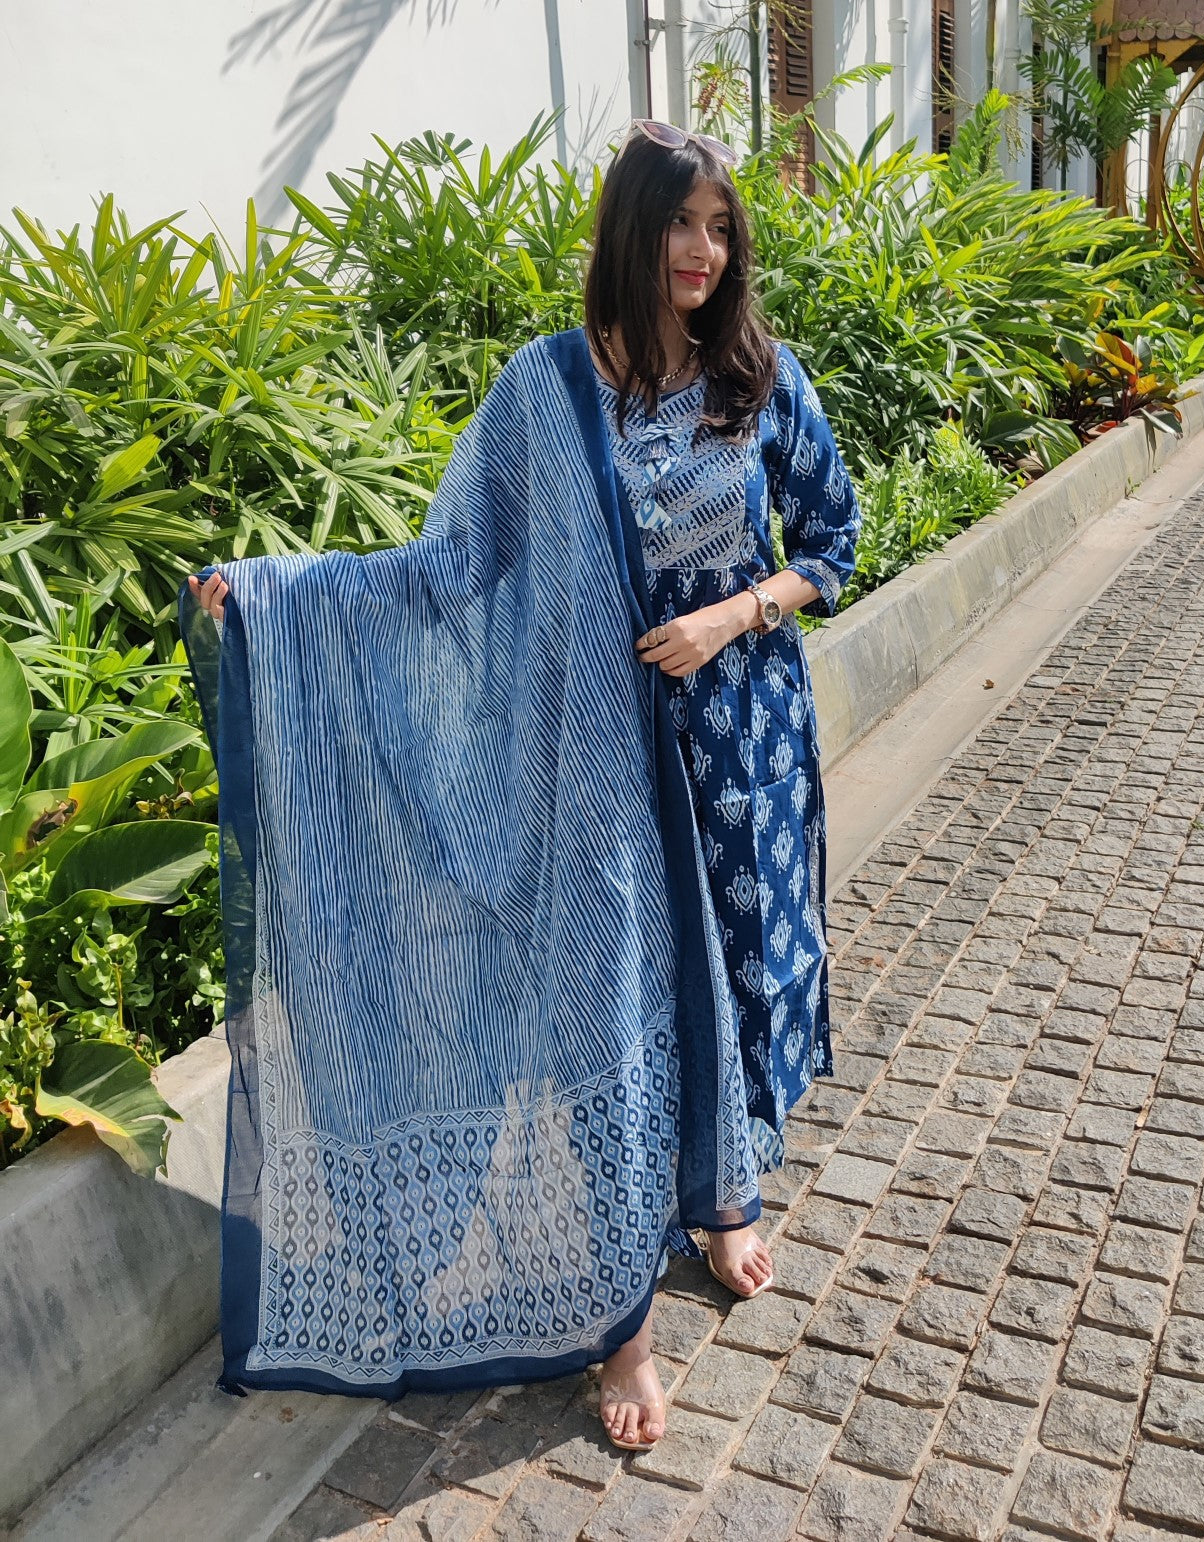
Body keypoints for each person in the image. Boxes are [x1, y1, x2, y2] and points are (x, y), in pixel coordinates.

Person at [185, 120, 860, 1455]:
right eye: (678, 223)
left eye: (722, 228)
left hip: (736, 753)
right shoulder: (542, 392)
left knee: (732, 988)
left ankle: (722, 1202)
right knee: (611, 1012)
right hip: (591, 768)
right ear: (629, 229)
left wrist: (732, 616)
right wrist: (268, 597)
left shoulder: (755, 379)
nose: (700, 252)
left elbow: (830, 543)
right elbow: (446, 568)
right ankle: (623, 1330)